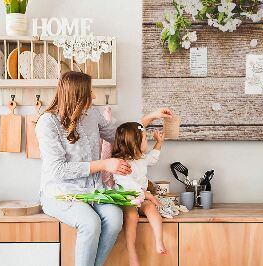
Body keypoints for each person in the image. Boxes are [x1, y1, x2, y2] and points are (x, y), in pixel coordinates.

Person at [35, 71, 173, 266]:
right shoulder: (47, 123)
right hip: (60, 194)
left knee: (115, 219)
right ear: (77, 94)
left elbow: (121, 135)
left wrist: (151, 116)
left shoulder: (91, 114)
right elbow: (57, 169)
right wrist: (104, 164)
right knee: (90, 223)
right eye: (89, 92)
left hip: (94, 191)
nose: (93, 96)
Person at [111, 122, 166, 266]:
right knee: (132, 215)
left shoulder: (140, 158)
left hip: (141, 196)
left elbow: (152, 159)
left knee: (152, 209)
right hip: (126, 197)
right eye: (145, 139)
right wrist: (148, 195)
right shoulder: (120, 163)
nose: (147, 141)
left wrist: (159, 143)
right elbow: (127, 184)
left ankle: (159, 240)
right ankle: (131, 252)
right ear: (134, 143)